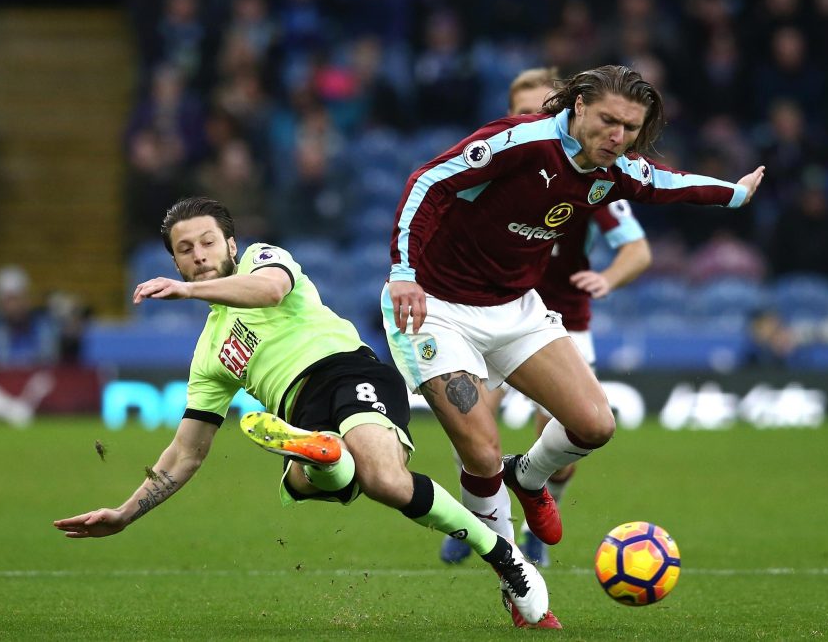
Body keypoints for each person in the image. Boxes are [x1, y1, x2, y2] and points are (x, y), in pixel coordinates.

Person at [52, 198, 549, 626]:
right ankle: (325, 456)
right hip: (301, 409)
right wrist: (124, 513)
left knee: (384, 481)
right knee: (313, 476)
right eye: (185, 251)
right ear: (177, 262)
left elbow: (269, 291)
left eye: (207, 242)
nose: (199, 256)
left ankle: (503, 555)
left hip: (352, 375)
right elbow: (186, 452)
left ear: (230, 244)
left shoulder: (262, 260)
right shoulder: (208, 355)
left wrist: (187, 292)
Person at [383, 65, 764, 611]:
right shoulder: (519, 142)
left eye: (630, 128)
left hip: (515, 310)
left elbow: (664, 183)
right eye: (609, 121)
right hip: (439, 310)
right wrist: (403, 271)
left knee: (594, 424)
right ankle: (518, 585)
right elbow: (427, 182)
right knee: (481, 451)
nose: (619, 136)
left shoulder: (614, 170)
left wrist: (734, 195)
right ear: (578, 105)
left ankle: (530, 475)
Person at [437, 68, 653, 569]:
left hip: (560, 316)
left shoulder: (590, 171)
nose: (536, 118)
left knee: (562, 429)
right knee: (474, 422)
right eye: (525, 110)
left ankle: (535, 522)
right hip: (483, 306)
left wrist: (609, 278)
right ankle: (479, 525)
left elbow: (637, 249)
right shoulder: (502, 158)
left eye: (544, 108)